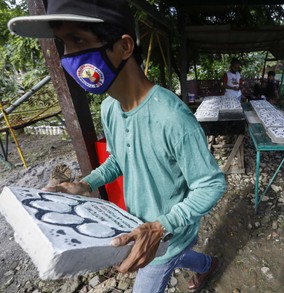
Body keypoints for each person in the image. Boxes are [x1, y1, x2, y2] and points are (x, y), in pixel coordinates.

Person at [8, 1, 226, 292]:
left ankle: (198, 260)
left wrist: (160, 227)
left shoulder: (172, 117)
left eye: (79, 40)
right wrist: (84, 185)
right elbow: (119, 160)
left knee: (159, 268)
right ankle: (208, 265)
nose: (68, 57)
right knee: (183, 257)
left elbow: (211, 185)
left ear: (124, 47)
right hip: (139, 224)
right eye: (63, 44)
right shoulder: (110, 108)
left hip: (164, 236)